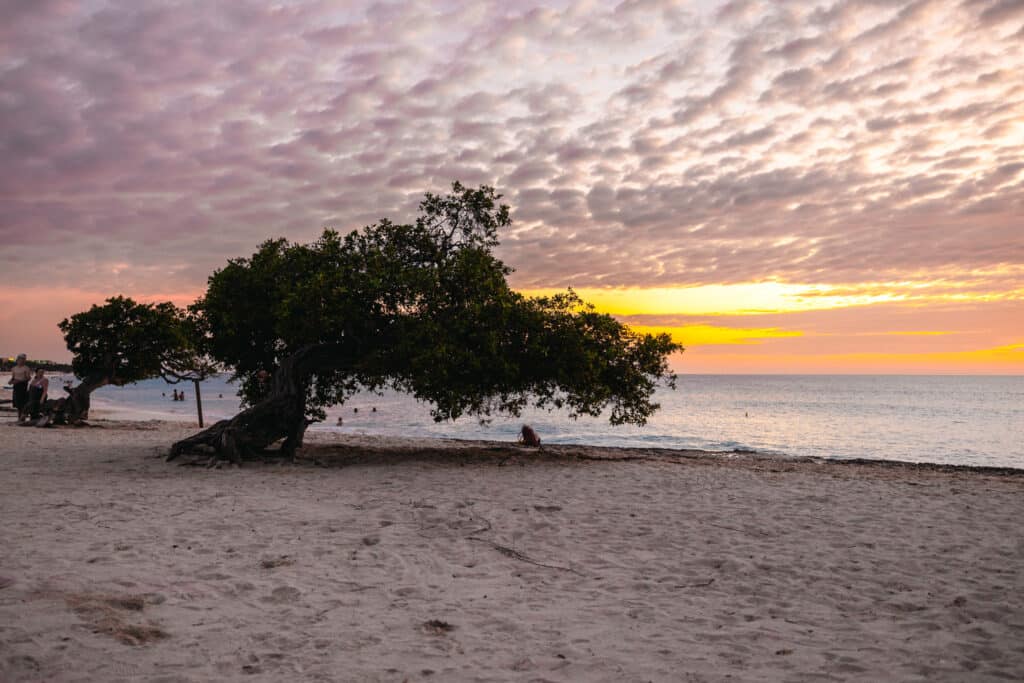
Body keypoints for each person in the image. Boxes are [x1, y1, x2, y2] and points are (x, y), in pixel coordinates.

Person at [8, 354, 32, 422]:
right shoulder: (13, 368)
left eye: (23, 359)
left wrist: (19, 381)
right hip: (16, 386)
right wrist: (10, 381)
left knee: (23, 403)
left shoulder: (26, 368)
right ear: (17, 360)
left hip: (23, 386)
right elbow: (13, 377)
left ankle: (23, 417)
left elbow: (28, 378)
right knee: (17, 403)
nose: (22, 360)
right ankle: (19, 417)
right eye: (21, 359)